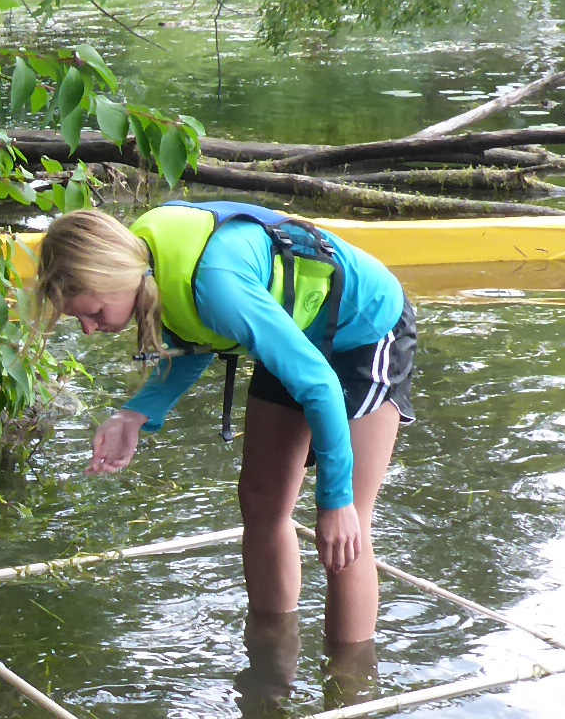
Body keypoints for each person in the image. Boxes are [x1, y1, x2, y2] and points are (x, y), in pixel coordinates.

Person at [31, 202, 414, 643]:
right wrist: (135, 413)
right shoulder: (146, 267)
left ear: (117, 277)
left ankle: (349, 688)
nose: (88, 330)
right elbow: (196, 338)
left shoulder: (217, 285)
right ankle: (272, 655)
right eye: (80, 318)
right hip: (291, 327)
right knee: (260, 501)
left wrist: (334, 500)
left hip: (365, 330)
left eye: (94, 313)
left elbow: (320, 386)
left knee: (346, 530)